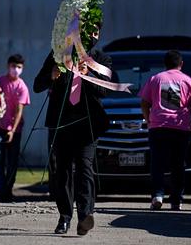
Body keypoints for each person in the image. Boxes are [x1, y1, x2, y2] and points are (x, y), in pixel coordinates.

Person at [33, 25, 111, 235]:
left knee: (85, 168)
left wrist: (87, 75)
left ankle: (85, 216)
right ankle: (64, 217)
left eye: (96, 33)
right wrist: (51, 74)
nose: (92, 36)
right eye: (89, 31)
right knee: (63, 171)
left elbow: (104, 90)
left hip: (88, 125)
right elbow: (37, 85)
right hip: (62, 124)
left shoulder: (101, 60)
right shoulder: (58, 54)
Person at [139, 50, 191, 210]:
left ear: (165, 64)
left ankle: (157, 195)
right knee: (178, 164)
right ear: (181, 64)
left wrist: (148, 119)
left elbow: (144, 102)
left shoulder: (155, 79)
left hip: (158, 126)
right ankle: (176, 200)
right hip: (180, 127)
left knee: (157, 163)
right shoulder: (188, 81)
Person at [0, 54, 30, 202]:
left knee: (13, 161)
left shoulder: (22, 87)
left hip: (15, 130)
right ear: (8, 66)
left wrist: (12, 131)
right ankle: (1, 190)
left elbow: (19, 111)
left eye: (19, 67)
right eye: (14, 66)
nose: (16, 69)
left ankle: (8, 189)